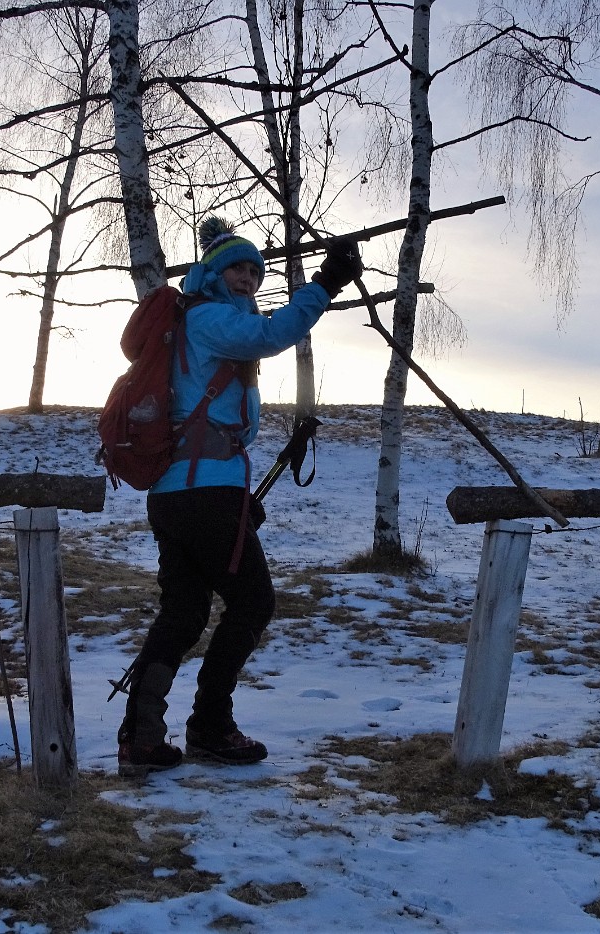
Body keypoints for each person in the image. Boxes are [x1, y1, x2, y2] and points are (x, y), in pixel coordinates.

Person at [117, 217, 363, 777]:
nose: (249, 277)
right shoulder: (207, 319)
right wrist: (325, 284)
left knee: (184, 613)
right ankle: (209, 726)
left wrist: (237, 490)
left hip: (180, 494)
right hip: (203, 494)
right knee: (253, 603)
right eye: (237, 268)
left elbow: (228, 421)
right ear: (212, 273)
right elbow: (270, 337)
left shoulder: (200, 327)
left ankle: (142, 736)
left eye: (255, 269)